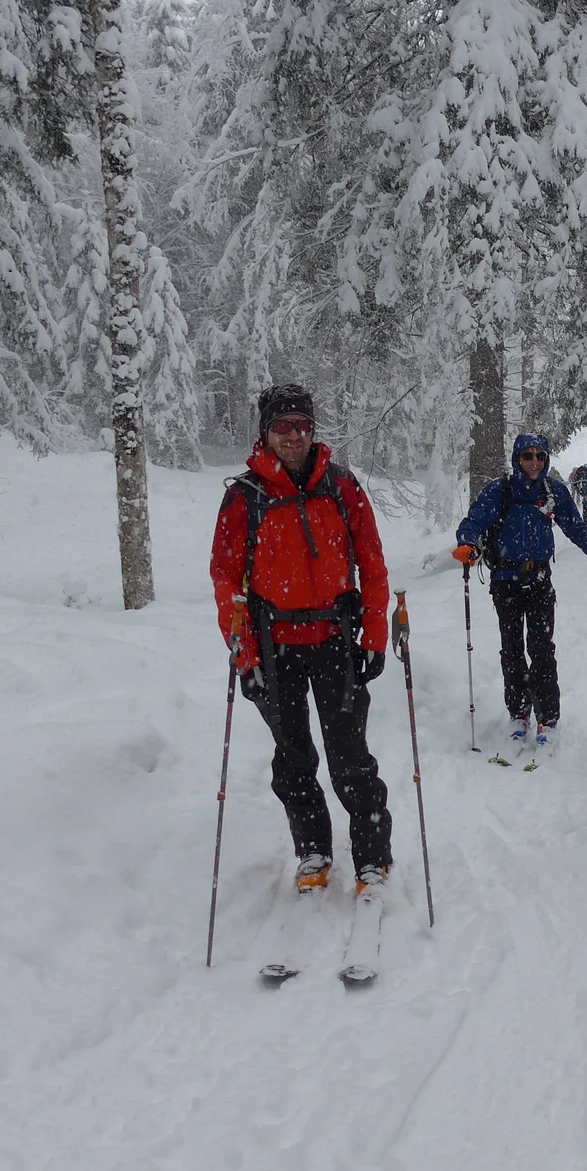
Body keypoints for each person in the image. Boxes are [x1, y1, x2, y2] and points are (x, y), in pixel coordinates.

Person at [209, 384, 395, 896]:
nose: (293, 436)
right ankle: (313, 849)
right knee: (292, 757)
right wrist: (244, 656)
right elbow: (226, 580)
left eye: (302, 425)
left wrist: (374, 635)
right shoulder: (245, 496)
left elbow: (372, 564)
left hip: (335, 639)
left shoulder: (341, 486)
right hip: (274, 648)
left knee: (349, 756)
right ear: (266, 432)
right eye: (282, 426)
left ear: (313, 430)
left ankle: (372, 858)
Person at [452, 433, 587, 754]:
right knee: (512, 649)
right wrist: (467, 544)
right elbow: (473, 521)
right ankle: (518, 714)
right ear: (517, 458)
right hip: (505, 580)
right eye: (528, 456)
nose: (534, 462)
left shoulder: (553, 491)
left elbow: (577, 529)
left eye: (540, 456)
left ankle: (548, 718)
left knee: (542, 650)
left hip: (540, 580)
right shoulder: (500, 490)